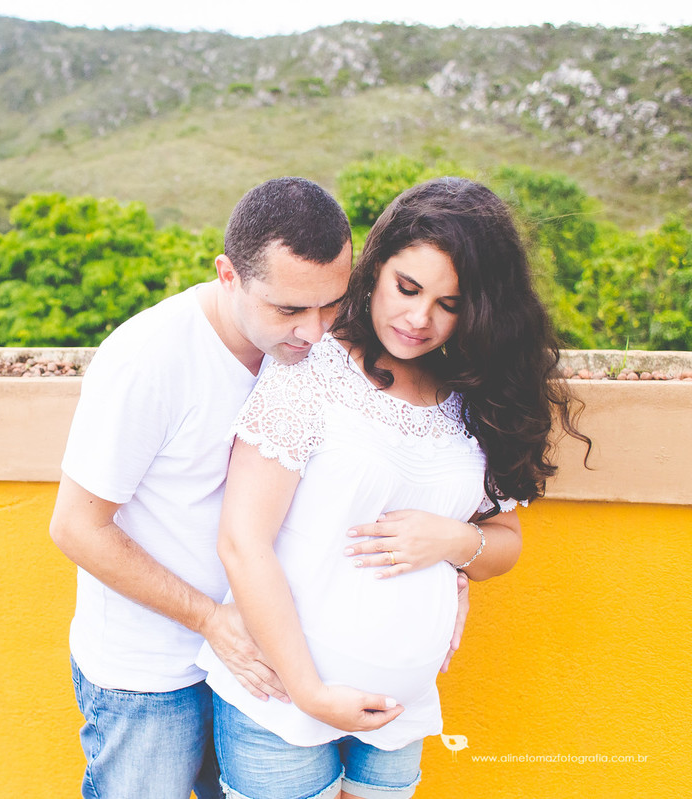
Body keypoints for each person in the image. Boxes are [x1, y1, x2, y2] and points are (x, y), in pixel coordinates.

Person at [51, 177, 465, 799]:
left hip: (260, 668)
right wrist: (211, 620)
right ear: (227, 275)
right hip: (150, 670)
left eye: (332, 304)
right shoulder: (149, 360)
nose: (315, 330)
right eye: (289, 310)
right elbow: (76, 527)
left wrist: (447, 573)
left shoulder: (316, 350)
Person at [197, 177, 588, 799]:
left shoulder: (475, 399)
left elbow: (505, 543)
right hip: (283, 701)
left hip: (397, 713)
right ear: (374, 270)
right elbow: (244, 542)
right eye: (406, 288)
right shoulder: (310, 368)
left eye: (449, 303)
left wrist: (455, 540)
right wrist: (311, 693)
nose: (418, 318)